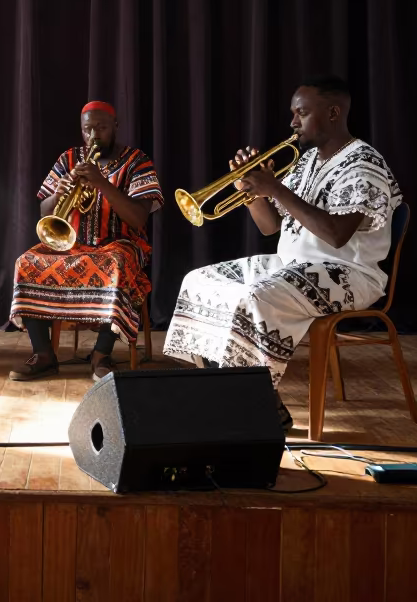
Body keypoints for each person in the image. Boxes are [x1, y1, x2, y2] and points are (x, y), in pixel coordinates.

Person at [163, 76, 402, 428]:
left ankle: (260, 407)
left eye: (301, 113)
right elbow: (269, 226)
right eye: (293, 113)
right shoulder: (306, 163)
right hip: (292, 264)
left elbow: (336, 236)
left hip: (348, 273)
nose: (292, 122)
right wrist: (251, 190)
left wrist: (274, 186)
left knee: (257, 297)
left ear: (333, 112)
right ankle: (221, 387)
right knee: (199, 281)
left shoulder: (364, 164)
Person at [8, 101, 163, 382]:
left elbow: (139, 218)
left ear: (115, 126)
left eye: (101, 128)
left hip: (122, 243)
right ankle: (43, 355)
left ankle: (101, 355)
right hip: (73, 245)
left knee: (114, 264)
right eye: (87, 129)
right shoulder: (69, 159)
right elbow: (45, 212)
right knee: (28, 261)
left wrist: (102, 183)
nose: (94, 136)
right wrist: (60, 192)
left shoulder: (137, 161)